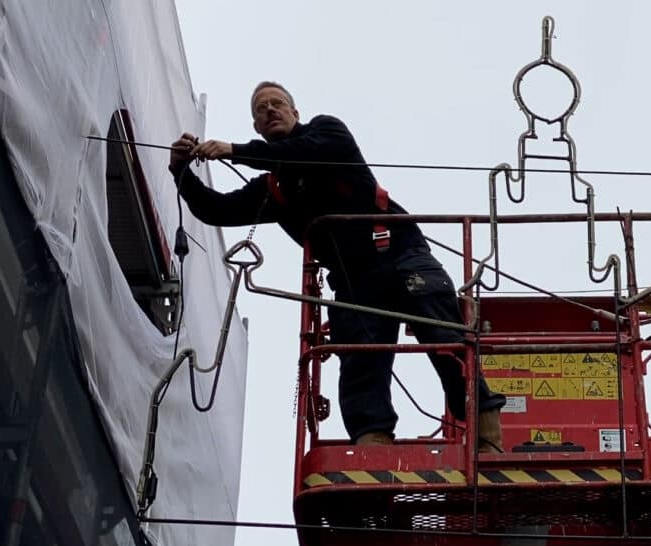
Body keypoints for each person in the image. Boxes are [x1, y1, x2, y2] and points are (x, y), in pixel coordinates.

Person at [168, 81, 505, 451]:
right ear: (257, 127)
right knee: (361, 359)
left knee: (445, 342)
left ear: (296, 113)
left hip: (402, 255)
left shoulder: (327, 132)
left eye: (277, 103)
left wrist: (234, 151)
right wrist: (180, 170)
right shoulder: (274, 188)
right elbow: (218, 209)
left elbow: (306, 153)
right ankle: (372, 443)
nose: (270, 110)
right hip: (354, 279)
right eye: (261, 109)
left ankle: (486, 436)